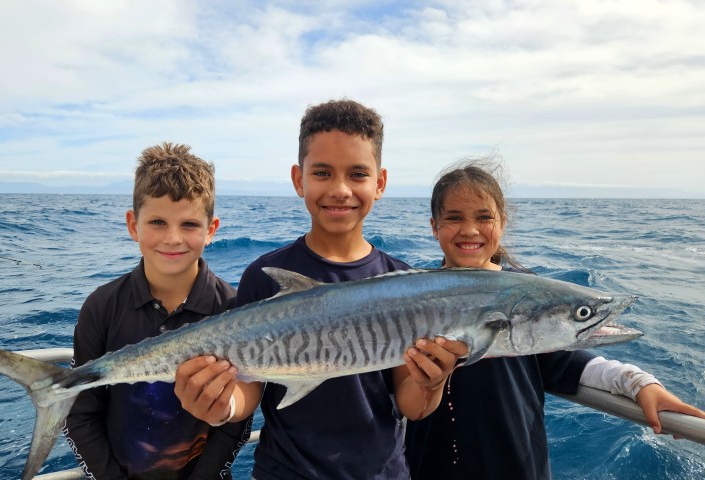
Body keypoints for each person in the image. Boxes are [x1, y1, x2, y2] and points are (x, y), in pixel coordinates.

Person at [174, 99, 468, 479]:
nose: (340, 190)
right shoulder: (263, 277)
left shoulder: (405, 283)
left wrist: (434, 379)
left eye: (358, 174)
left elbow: (411, 404)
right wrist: (221, 404)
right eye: (323, 173)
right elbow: (248, 386)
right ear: (299, 179)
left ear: (379, 183)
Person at [404, 159, 705, 480]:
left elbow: (571, 361)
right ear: (434, 226)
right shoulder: (408, 301)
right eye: (454, 217)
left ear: (502, 223)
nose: (469, 229)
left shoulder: (530, 300)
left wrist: (637, 383)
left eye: (483, 217)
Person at [64, 142, 250, 479]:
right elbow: (80, 413)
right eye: (158, 222)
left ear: (211, 230)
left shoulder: (233, 308)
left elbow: (235, 421)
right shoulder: (101, 306)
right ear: (133, 225)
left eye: (190, 225)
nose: (173, 239)